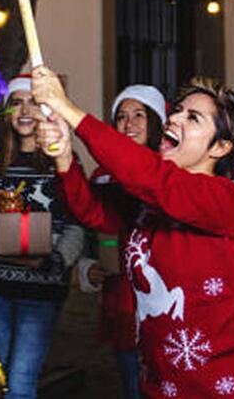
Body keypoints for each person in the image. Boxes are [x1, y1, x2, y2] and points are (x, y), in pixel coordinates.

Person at [32, 67, 234, 399]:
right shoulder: (148, 200)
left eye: (193, 118)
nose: (175, 119)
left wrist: (69, 110)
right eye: (177, 111)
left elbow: (156, 179)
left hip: (222, 387)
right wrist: (63, 157)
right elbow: (93, 210)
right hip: (159, 384)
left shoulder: (228, 199)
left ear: (220, 147)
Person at [0, 75, 86, 399]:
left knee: (20, 386)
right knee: (15, 378)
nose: (25, 110)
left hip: (41, 288)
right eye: (16, 102)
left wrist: (56, 262)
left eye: (34, 102)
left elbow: (79, 224)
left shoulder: (62, 161)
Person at [74, 85, 166, 399]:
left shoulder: (171, 172)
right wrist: (90, 265)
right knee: (132, 383)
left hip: (163, 300)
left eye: (139, 115)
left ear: (156, 122)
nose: (129, 124)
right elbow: (93, 230)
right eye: (121, 117)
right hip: (122, 300)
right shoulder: (102, 176)